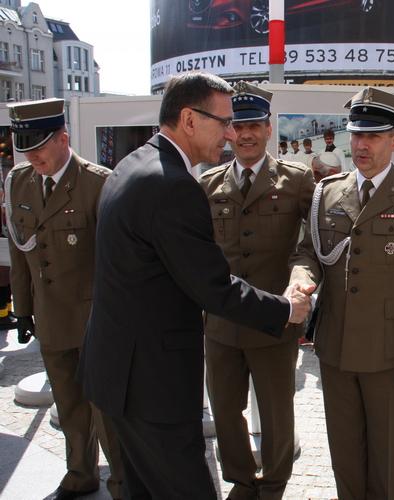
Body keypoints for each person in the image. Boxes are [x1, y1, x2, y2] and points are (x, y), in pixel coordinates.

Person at [77, 72, 312, 499]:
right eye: (224, 122)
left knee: (143, 490)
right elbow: (212, 286)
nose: (231, 133)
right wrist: (285, 309)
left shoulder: (132, 166)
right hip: (152, 385)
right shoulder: (173, 185)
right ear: (189, 119)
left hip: (119, 374)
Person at [289, 87, 394, 499]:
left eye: (373, 136)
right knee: (344, 455)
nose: (361, 144)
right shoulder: (328, 192)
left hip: (389, 348)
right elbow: (309, 252)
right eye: (357, 134)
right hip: (336, 343)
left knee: (384, 458)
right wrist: (300, 279)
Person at [199, 81, 315, 500]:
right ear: (229, 132)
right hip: (222, 323)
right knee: (226, 409)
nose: (246, 134)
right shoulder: (208, 183)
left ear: (269, 129)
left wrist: (300, 281)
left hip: (273, 321)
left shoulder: (297, 180)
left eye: (254, 126)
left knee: (277, 409)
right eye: (238, 126)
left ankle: (275, 482)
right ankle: (242, 480)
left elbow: (312, 243)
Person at [5, 98, 124, 500]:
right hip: (51, 317)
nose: (33, 157)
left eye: (40, 147)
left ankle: (122, 481)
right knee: (69, 404)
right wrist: (23, 310)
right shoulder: (19, 183)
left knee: (105, 410)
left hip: (94, 320)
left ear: (63, 139)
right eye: (26, 149)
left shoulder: (98, 183)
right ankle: (80, 474)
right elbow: (21, 252)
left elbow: (117, 262)